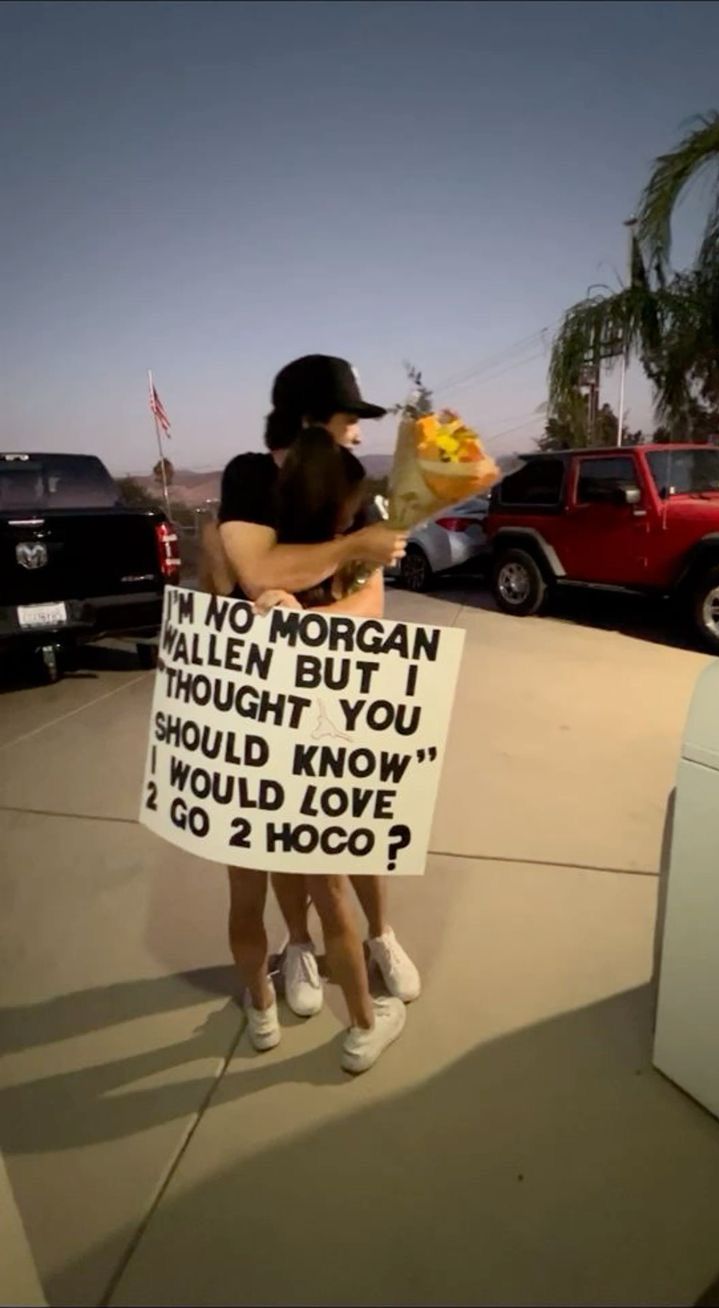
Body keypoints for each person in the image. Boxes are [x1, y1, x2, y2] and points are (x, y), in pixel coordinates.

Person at [217, 355, 419, 1074]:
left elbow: (369, 600)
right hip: (257, 703)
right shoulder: (249, 476)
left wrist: (315, 615)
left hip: (336, 693)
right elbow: (257, 573)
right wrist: (348, 552)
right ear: (310, 420)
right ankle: (300, 955)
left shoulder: (354, 490)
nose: (359, 436)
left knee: (348, 833)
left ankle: (378, 938)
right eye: (348, 421)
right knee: (277, 854)